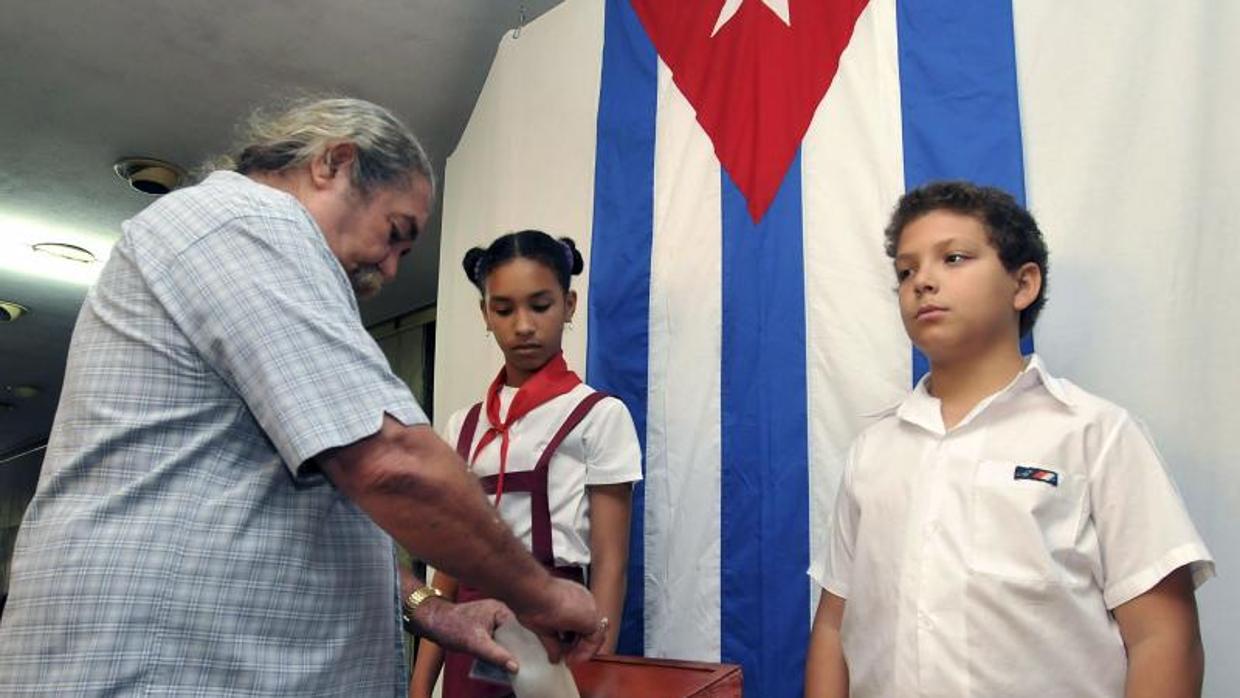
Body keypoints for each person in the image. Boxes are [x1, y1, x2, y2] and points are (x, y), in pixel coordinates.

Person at [0, 98, 603, 696]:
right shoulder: (249, 222)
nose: (390, 270)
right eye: (395, 234)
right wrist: (543, 595)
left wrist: (428, 609)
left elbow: (288, 505)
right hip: (163, 665)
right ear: (334, 164)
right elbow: (393, 463)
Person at [804, 181, 1214, 698]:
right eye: (906, 271)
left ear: (1022, 285)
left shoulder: (1095, 435)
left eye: (953, 258)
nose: (922, 281)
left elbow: (1164, 637)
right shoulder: (875, 450)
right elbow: (835, 626)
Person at [409, 230, 642, 698]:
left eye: (540, 305)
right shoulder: (464, 425)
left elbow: (611, 564)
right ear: (484, 314)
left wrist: (595, 674)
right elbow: (449, 571)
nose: (523, 326)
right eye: (504, 309)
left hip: (558, 631)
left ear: (570, 304)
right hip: (469, 634)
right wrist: (419, 687)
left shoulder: (599, 415)